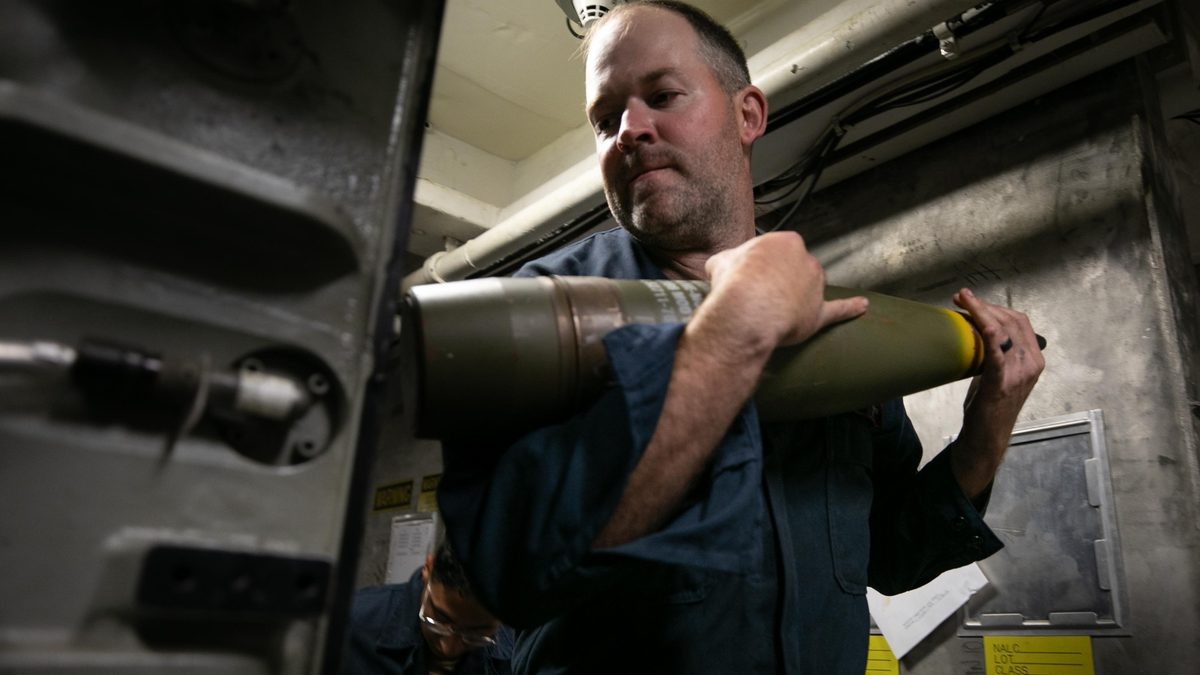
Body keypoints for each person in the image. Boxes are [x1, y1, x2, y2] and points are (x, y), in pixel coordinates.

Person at [437, 1, 1044, 673]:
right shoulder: (539, 311)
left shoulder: (844, 325)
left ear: (747, 114)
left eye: (662, 96)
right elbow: (508, 571)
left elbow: (888, 557)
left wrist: (986, 432)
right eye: (605, 119)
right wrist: (728, 341)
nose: (629, 131)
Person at [344, 538, 514, 675]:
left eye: (476, 633)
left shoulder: (515, 646)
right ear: (428, 569)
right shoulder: (352, 624)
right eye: (440, 619)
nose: (448, 648)